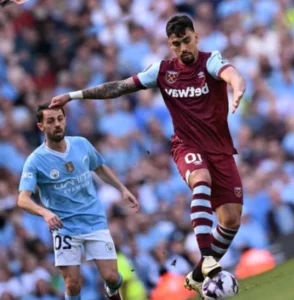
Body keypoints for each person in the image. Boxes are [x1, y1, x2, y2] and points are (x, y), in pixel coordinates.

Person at [50, 15, 246, 297]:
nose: (182, 49)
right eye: (176, 44)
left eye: (187, 41)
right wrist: (74, 95)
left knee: (231, 221)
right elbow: (117, 87)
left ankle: (196, 274)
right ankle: (210, 263)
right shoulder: (163, 71)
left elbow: (232, 74)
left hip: (220, 149)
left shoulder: (210, 61)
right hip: (187, 146)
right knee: (200, 180)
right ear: (170, 44)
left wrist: (237, 88)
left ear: (196, 37)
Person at [17, 103, 140, 300]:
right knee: (72, 285)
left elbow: (99, 167)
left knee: (111, 277)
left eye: (60, 119)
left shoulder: (81, 144)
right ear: (41, 126)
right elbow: (22, 199)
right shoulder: (35, 160)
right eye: (50, 121)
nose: (57, 124)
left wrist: (122, 189)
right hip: (64, 227)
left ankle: (112, 289)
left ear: (65, 120)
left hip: (94, 220)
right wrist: (45, 212)